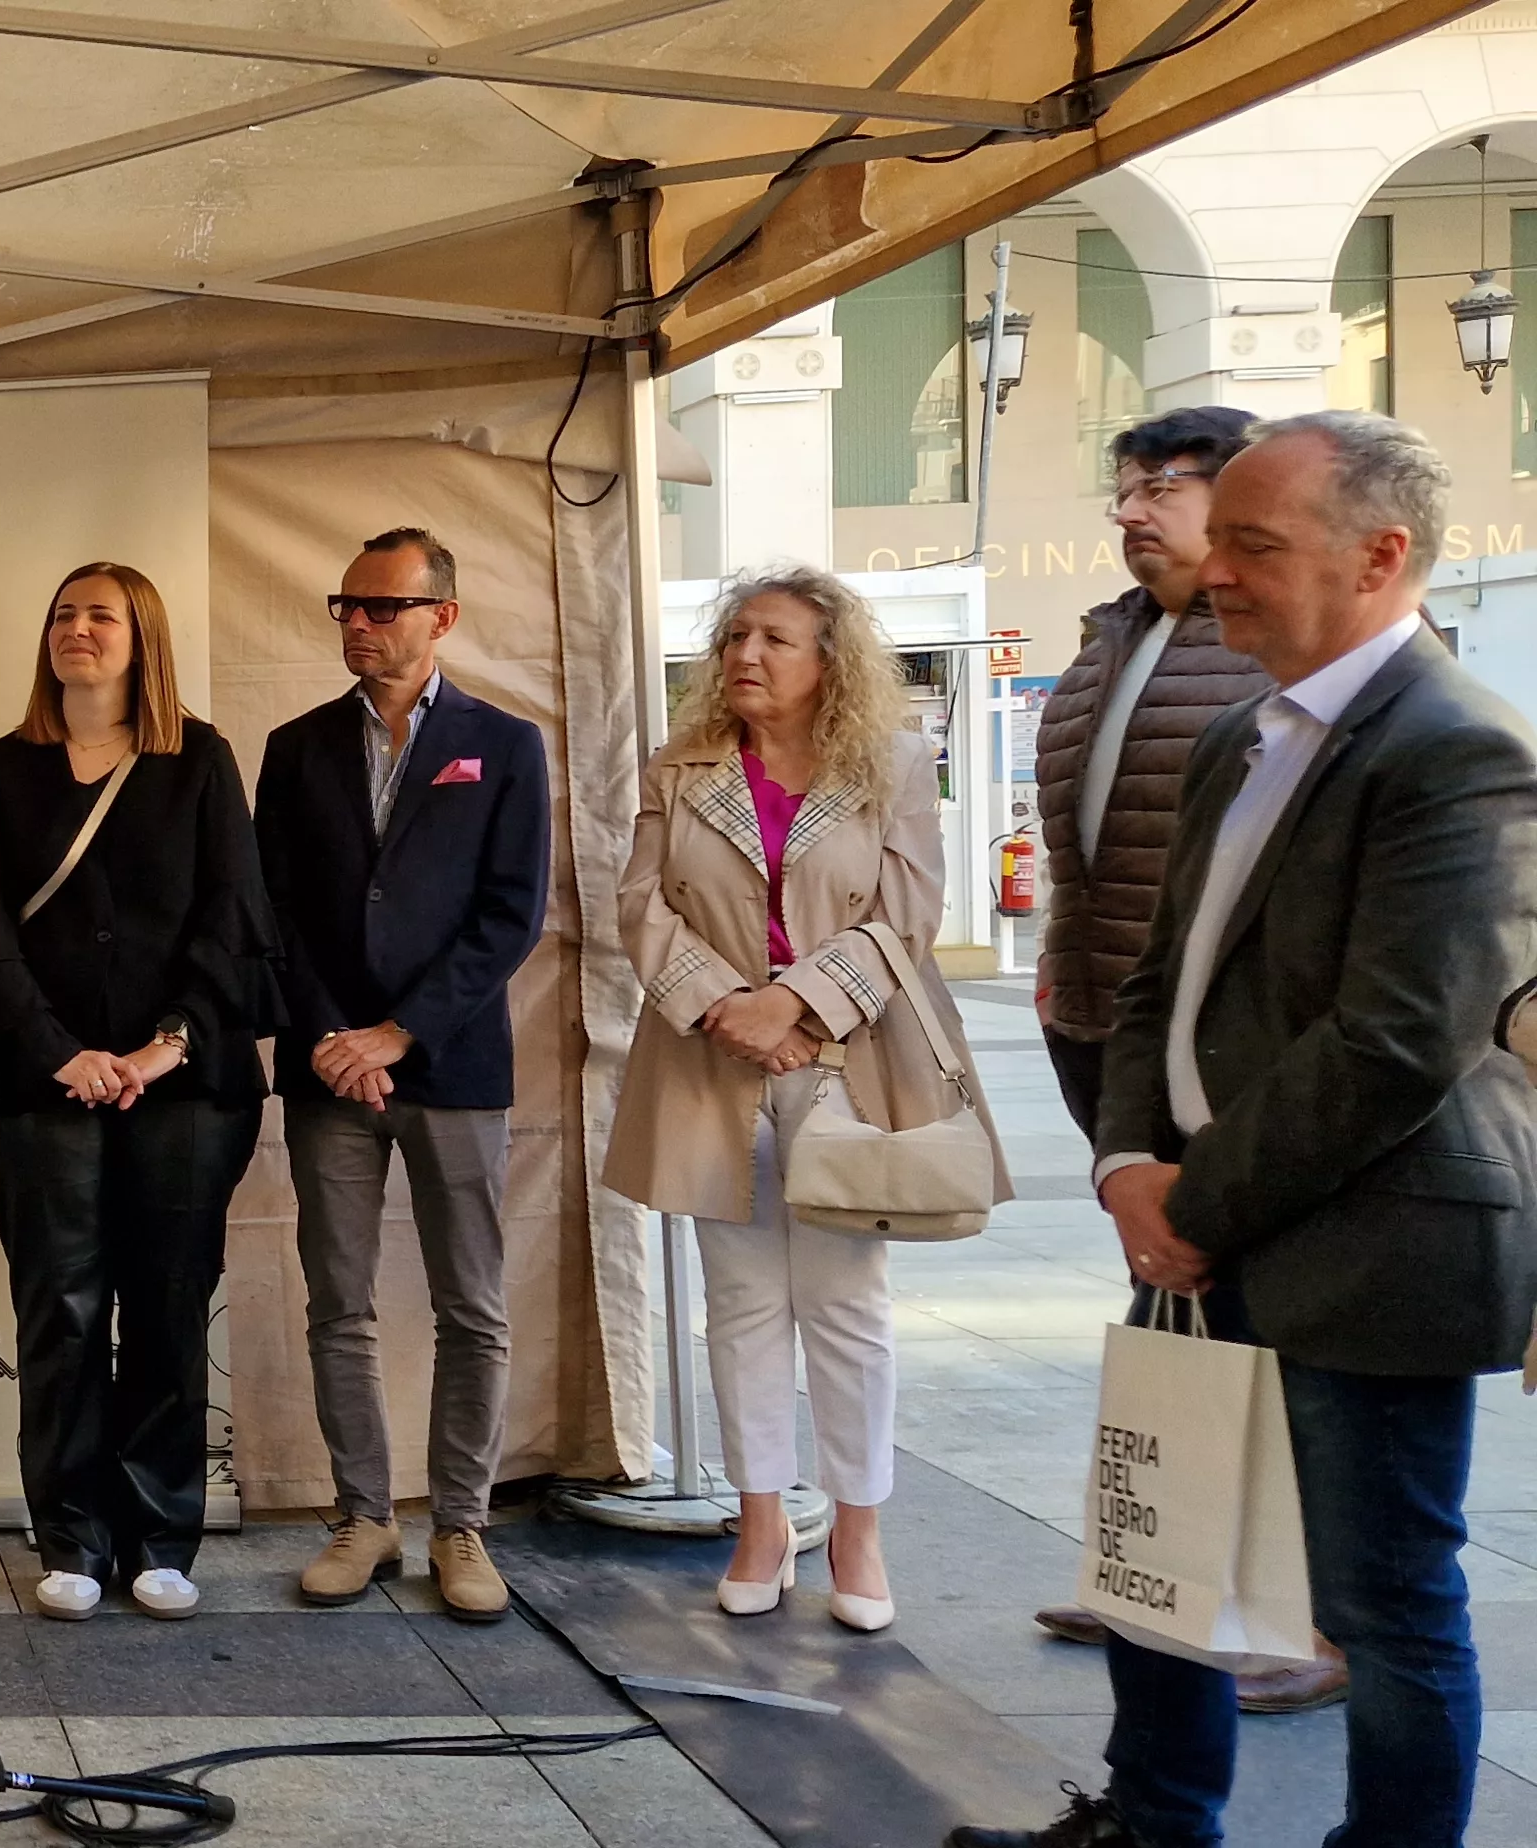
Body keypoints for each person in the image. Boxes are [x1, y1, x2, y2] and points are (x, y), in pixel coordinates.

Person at [954, 412, 1537, 1848]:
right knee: (1162, 1552)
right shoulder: (1243, 734)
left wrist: (1191, 1205)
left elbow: (1398, 1041)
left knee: (1382, 1603)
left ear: (1379, 557)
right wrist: (1122, 1164)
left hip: (1369, 1245)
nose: (1216, 573)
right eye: (1218, 542)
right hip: (1196, 1226)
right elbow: (1157, 979)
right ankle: (1156, 1821)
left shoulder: (1464, 750)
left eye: (1254, 546)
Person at [1018, 407, 1347, 1712]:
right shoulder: (1112, 638)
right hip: (1111, 1027)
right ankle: (1163, 1578)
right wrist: (1064, 954)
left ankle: (1312, 1623)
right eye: (1126, 487)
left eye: (1164, 485)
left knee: (1274, 1325)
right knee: (1172, 1311)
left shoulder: (1270, 648)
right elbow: (1085, 837)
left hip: (1237, 1054)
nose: (1133, 509)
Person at [604, 566, 991, 1634]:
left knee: (845, 1303)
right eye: (734, 635)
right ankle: (761, 1522)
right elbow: (641, 905)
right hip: (711, 1059)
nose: (745, 654)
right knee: (739, 1303)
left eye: (774, 638)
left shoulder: (890, 764)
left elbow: (906, 914)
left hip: (846, 1059)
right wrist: (727, 1007)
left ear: (830, 660)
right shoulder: (681, 765)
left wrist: (797, 1008)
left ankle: (858, 1531)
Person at [0, 563, 275, 1622]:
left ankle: (160, 1537)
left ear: (145, 640)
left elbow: (235, 916)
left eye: (101, 615)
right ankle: (73, 1539)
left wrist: (162, 1046)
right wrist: (61, 1051)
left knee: (167, 1307)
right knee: (62, 1313)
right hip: (41, 1087)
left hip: (183, 1088)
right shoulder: (3, 770)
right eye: (63, 613)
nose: (76, 629)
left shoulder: (200, 760)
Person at [253, 527, 553, 1623]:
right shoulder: (295, 748)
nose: (360, 625)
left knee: (471, 1305)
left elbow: (510, 915)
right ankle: (364, 1516)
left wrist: (400, 1034)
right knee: (339, 1301)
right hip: (329, 1068)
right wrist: (336, 1038)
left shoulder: (504, 744)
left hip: (453, 1064)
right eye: (348, 605)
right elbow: (272, 913)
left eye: (383, 607)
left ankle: (461, 1525)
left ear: (443, 618)